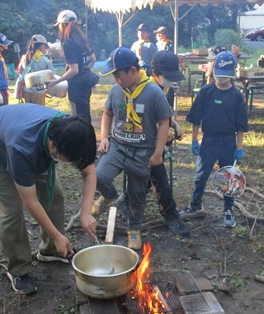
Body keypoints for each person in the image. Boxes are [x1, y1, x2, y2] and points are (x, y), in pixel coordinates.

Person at [0, 105, 98, 294]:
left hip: (31, 143)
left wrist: (86, 212)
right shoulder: (21, 148)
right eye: (70, 159)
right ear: (53, 146)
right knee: (11, 210)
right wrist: (57, 234)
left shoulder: (71, 130)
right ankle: (19, 269)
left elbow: (89, 173)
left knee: (54, 196)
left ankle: (51, 250)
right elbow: (30, 201)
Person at [92, 48, 173, 250]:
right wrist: (104, 138)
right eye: (114, 76)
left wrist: (157, 153)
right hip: (118, 146)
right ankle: (108, 195)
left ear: (133, 71)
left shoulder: (153, 92)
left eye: (118, 75)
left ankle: (134, 229)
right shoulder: (115, 90)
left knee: (137, 193)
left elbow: (164, 122)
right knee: (98, 176)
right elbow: (107, 113)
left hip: (142, 151)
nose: (116, 79)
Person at [114, 51, 190, 237]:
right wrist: (160, 132)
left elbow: (164, 115)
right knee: (158, 174)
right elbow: (138, 118)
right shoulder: (140, 87)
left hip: (154, 143)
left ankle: (127, 199)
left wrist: (174, 124)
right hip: (136, 142)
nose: (171, 82)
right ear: (155, 73)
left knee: (153, 169)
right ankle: (169, 213)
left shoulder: (166, 89)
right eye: (168, 77)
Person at [180, 51, 248, 228]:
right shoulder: (206, 92)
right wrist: (194, 140)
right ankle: (195, 205)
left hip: (228, 142)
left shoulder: (236, 96)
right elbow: (195, 118)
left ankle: (228, 209)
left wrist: (239, 147)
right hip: (208, 140)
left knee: (228, 178)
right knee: (200, 176)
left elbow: (241, 124)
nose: (222, 79)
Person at [47, 10, 98, 121]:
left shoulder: (68, 42)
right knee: (85, 114)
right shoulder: (83, 39)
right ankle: (89, 136)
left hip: (77, 86)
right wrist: (87, 73)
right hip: (86, 83)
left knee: (79, 117)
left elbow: (74, 70)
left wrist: (55, 82)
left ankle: (84, 137)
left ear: (63, 25)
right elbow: (93, 59)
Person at [15, 35, 55, 105]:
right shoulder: (46, 61)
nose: (45, 50)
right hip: (38, 93)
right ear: (42, 46)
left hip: (25, 92)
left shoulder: (24, 58)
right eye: (45, 47)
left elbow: (20, 73)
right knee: (38, 114)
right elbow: (52, 78)